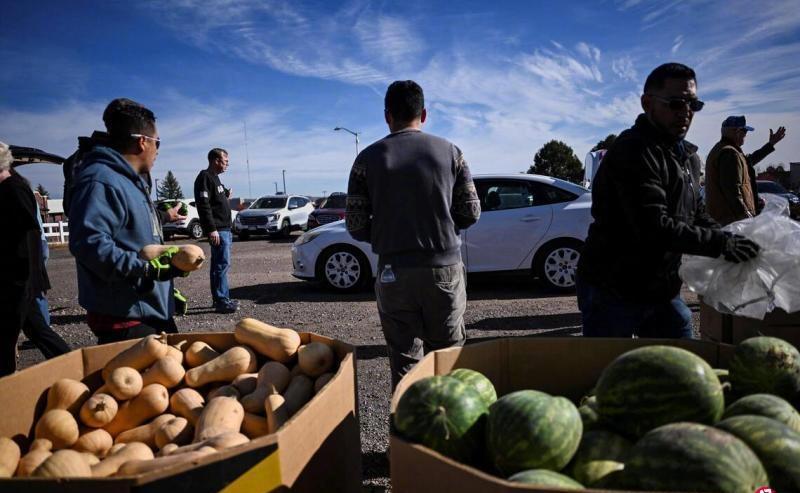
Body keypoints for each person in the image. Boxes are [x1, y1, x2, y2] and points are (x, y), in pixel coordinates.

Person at [576, 63, 761, 339]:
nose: (686, 112)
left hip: (660, 288)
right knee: (609, 372)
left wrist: (733, 236)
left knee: (681, 365)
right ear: (647, 103)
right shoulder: (634, 150)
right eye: (676, 103)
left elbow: (696, 213)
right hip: (612, 287)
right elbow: (654, 228)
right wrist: (724, 245)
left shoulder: (685, 156)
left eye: (693, 104)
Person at [346, 80, 481, 389]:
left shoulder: (366, 159)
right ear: (424, 113)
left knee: (405, 363)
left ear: (386, 115)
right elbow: (470, 212)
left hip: (394, 272)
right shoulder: (451, 153)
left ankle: (407, 429)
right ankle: (448, 431)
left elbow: (355, 224)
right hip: (443, 270)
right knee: (448, 361)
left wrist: (387, 234)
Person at [68, 99, 189, 344]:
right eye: (158, 142)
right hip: (124, 317)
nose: (158, 150)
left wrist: (162, 288)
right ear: (142, 141)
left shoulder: (131, 181)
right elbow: (89, 244)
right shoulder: (100, 180)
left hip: (147, 308)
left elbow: (132, 234)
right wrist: (144, 270)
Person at [0, 143, 71, 375]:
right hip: (19, 277)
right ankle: (72, 365)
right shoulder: (13, 186)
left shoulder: (13, 189)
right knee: (38, 330)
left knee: (8, 338)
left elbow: (30, 233)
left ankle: (6, 388)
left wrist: (28, 277)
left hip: (17, 278)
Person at [705, 116, 786, 225]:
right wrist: (745, 216)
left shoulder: (726, 150)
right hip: (731, 223)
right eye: (744, 131)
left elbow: (748, 161)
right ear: (736, 132)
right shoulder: (729, 154)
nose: (746, 134)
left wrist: (770, 145)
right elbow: (732, 190)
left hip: (727, 221)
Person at [194, 148, 237, 314]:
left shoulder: (216, 179)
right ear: (216, 161)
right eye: (225, 161)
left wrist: (226, 194)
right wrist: (211, 229)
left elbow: (217, 199)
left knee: (220, 265)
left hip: (225, 229)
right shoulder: (205, 177)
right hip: (218, 230)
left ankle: (222, 297)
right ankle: (221, 301)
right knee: (221, 265)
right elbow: (204, 205)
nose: (227, 164)